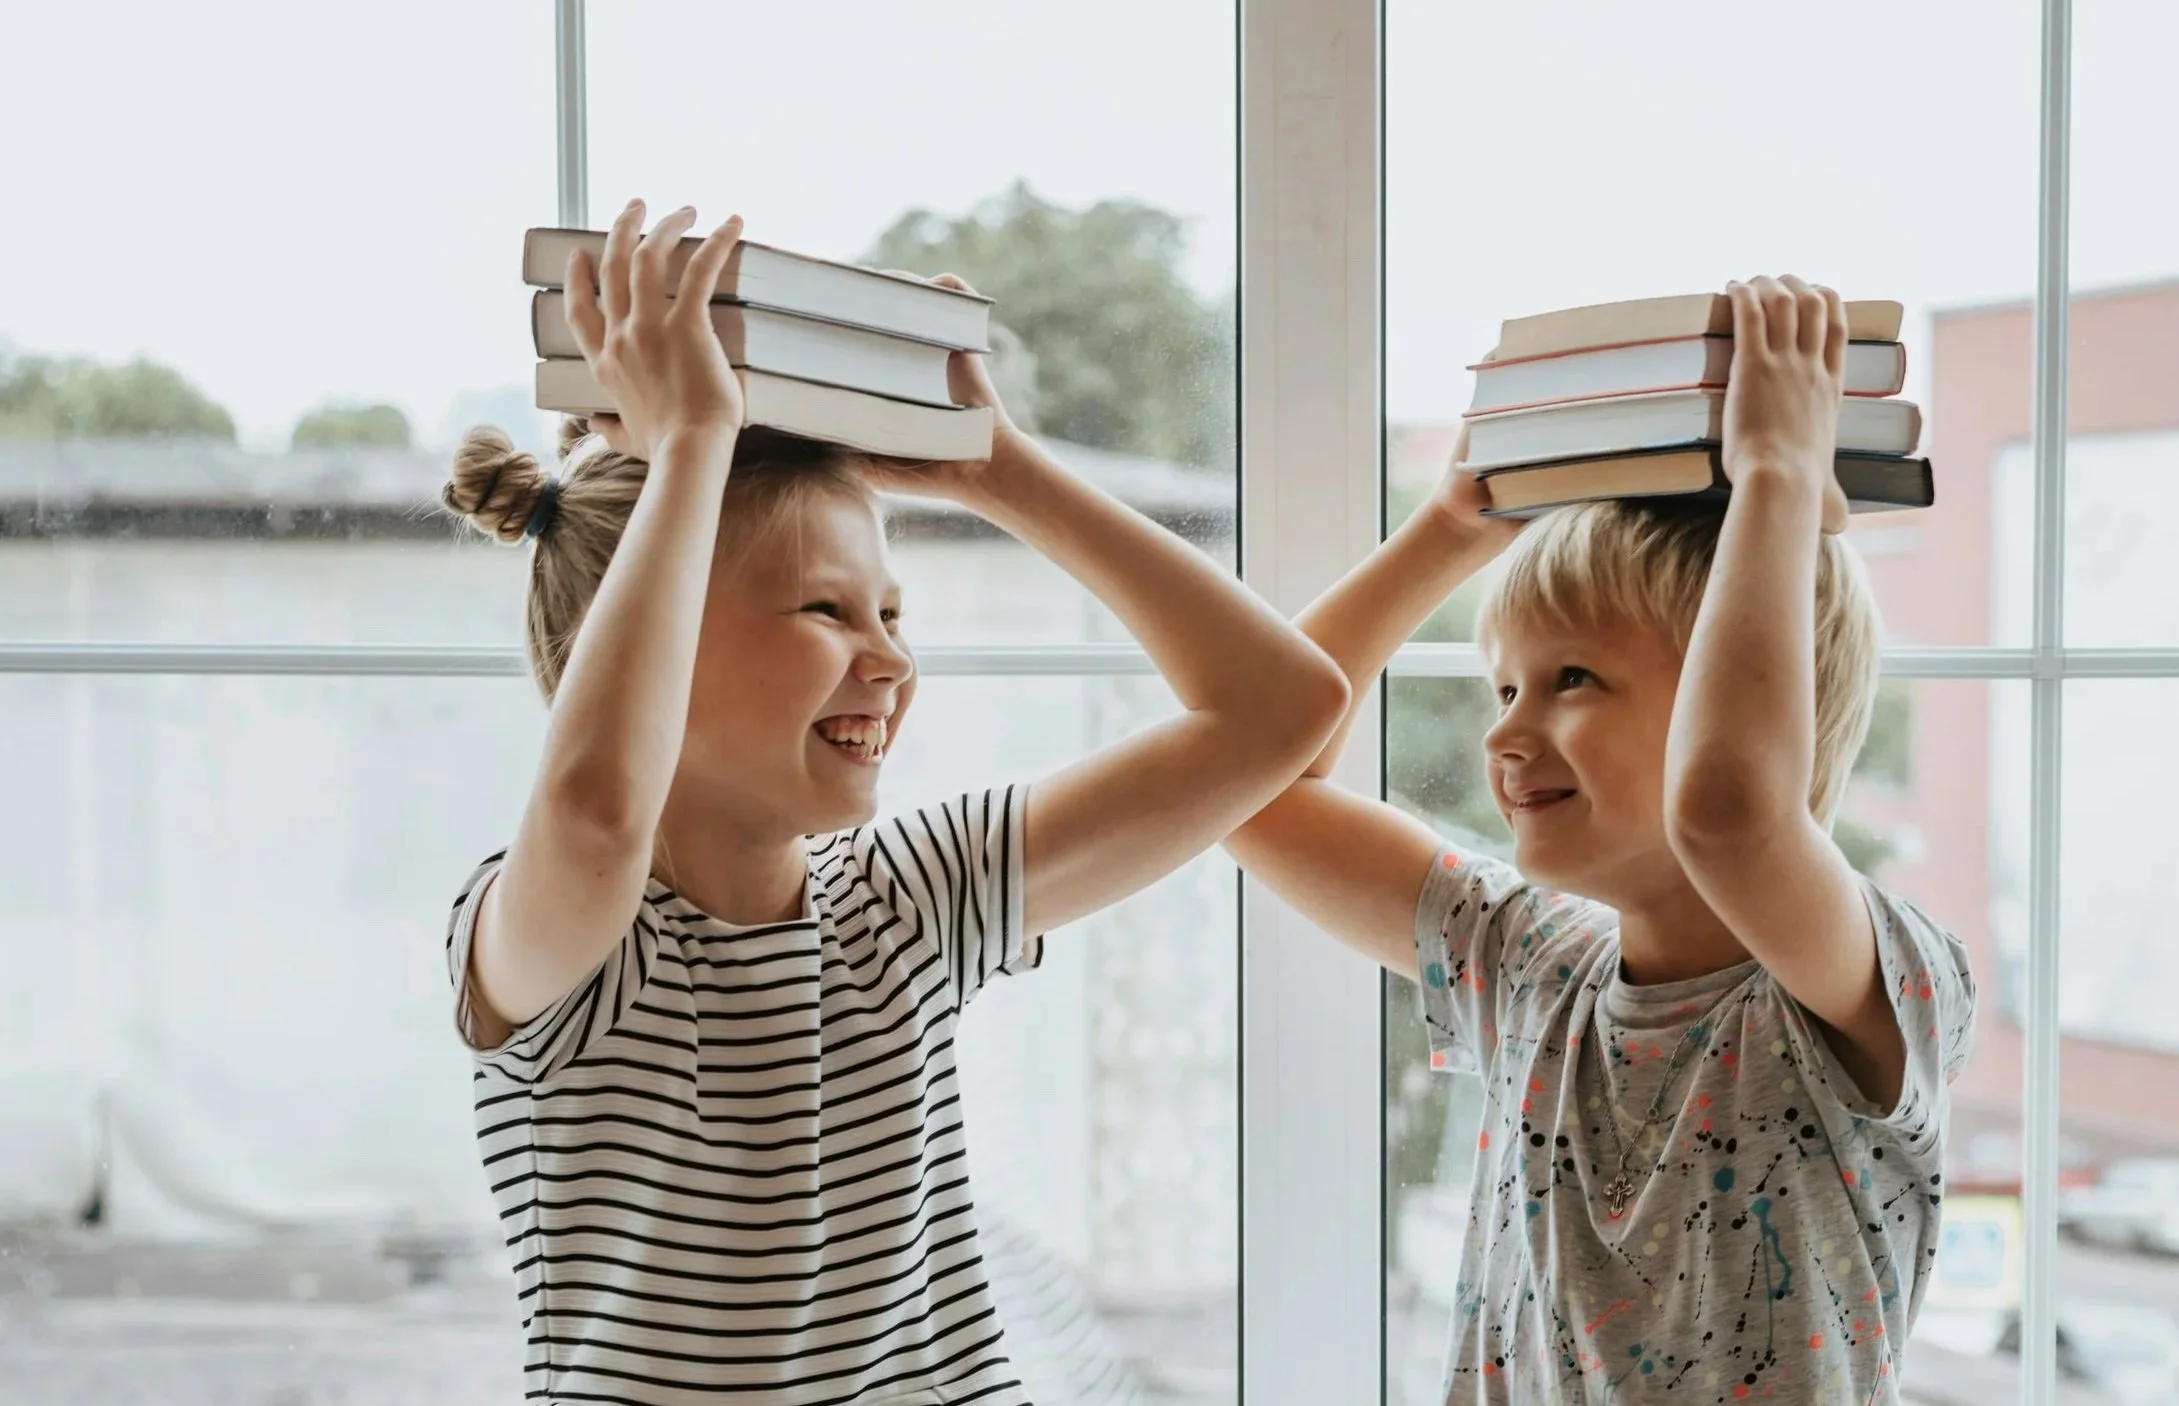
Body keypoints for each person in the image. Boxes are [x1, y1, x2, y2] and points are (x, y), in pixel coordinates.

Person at [438, 200, 1347, 1405]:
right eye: (827, 611)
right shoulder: (564, 943)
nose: (890, 660)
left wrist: (1002, 473)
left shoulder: (915, 896)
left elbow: (1283, 709)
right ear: (650, 648)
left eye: (893, 613)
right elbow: (602, 809)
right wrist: (697, 437)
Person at [1228, 277, 1976, 1401]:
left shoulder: (1856, 977)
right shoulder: (1529, 958)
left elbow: (1728, 817)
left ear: (1756, 700)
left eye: (1573, 678)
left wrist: (1779, 476)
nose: (1508, 730)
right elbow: (1241, 782)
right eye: (1505, 685)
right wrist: (1444, 534)